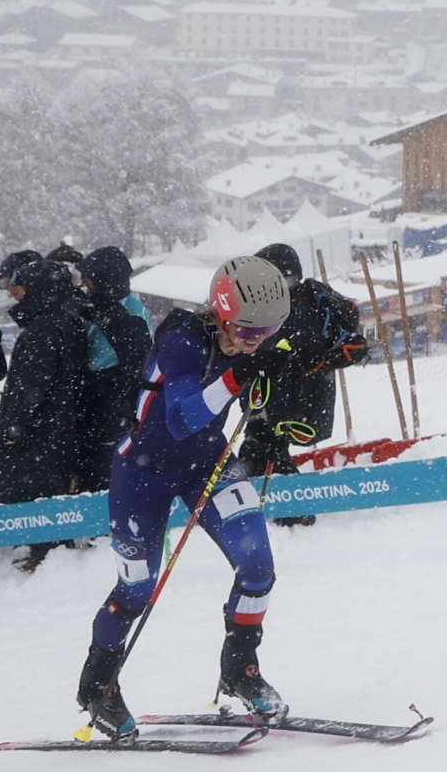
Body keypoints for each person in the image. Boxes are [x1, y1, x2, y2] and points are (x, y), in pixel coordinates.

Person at [77, 256, 296, 739]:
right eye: (247, 329)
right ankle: (98, 688)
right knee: (135, 590)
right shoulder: (181, 341)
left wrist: (273, 377)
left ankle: (241, 670)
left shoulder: (248, 339)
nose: (254, 339)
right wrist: (240, 374)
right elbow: (180, 420)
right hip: (142, 476)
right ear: (220, 310)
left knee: (258, 568)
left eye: (269, 330)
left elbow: (258, 373)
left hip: (208, 465)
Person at [237, 242, 368, 527]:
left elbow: (295, 353)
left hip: (296, 402)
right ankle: (281, 515)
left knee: (261, 451)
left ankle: (291, 518)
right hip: (284, 400)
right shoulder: (286, 303)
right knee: (259, 452)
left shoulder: (301, 307)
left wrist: (280, 360)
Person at [0, 259, 89, 571]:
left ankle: (36, 554)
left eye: (23, 286)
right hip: (59, 427)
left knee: (33, 496)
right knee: (51, 492)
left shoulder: (42, 330)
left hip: (38, 434)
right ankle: (49, 547)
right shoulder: (69, 321)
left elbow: (29, 388)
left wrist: (14, 426)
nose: (17, 293)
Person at [73, 247, 154, 493]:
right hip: (99, 401)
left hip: (112, 407)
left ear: (104, 278)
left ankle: (105, 525)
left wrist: (116, 407)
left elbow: (135, 367)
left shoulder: (129, 313)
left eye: (88, 277)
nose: (83, 283)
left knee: (106, 473)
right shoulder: (103, 304)